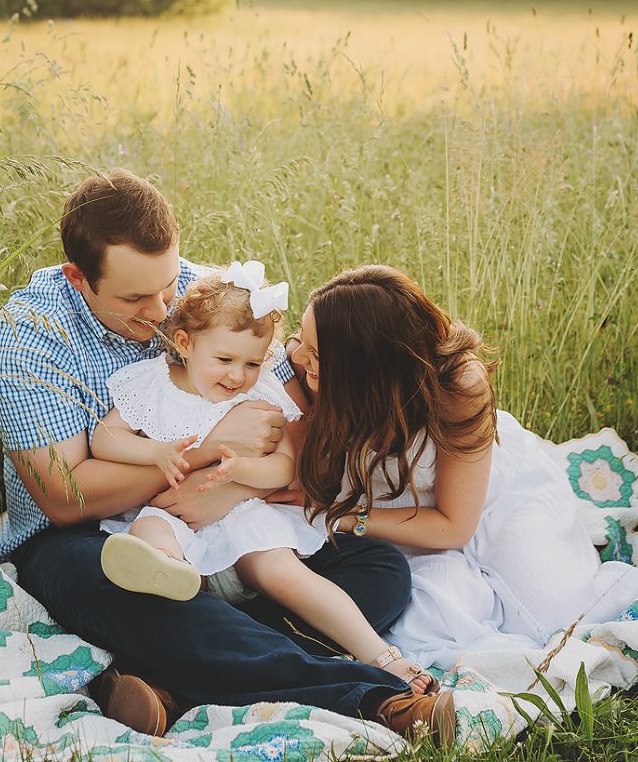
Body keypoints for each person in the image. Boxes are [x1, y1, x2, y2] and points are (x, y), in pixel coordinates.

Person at [0, 172, 456, 742]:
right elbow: (65, 496)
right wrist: (207, 452)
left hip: (226, 514)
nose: (161, 311)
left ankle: (158, 677)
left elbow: (292, 415)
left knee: (379, 571)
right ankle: (378, 699)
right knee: (128, 581)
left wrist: (231, 487)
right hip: (86, 536)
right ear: (79, 277)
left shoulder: (209, 296)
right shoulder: (29, 336)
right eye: (134, 298)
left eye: (166, 284)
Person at [275, 264, 638, 670]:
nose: (300, 356)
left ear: (367, 369)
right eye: (302, 340)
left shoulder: (458, 386)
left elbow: (453, 526)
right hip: (392, 513)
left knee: (564, 618)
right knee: (427, 620)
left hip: (488, 501)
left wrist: (339, 517)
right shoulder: (302, 373)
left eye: (316, 353)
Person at [92, 264, 439, 695]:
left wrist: (242, 475)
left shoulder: (261, 395)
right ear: (185, 343)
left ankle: (384, 658)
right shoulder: (154, 386)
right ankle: (178, 579)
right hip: (176, 521)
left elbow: (285, 466)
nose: (237, 376)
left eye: (252, 363)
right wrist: (154, 453)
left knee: (285, 573)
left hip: (243, 518)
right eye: (224, 360)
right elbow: (104, 438)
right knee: (148, 533)